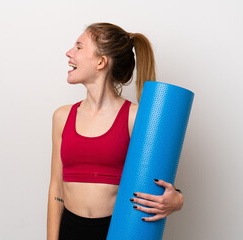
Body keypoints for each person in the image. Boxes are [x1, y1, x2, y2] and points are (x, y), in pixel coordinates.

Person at [47, 22, 184, 240]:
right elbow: (56, 187)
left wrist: (177, 200)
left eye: (79, 47)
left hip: (118, 231)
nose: (69, 52)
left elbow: (157, 179)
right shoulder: (62, 117)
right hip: (70, 230)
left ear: (101, 62)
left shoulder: (136, 116)